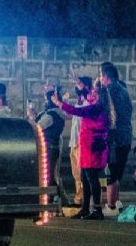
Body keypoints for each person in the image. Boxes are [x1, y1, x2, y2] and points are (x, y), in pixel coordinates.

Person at [52, 79, 113, 220]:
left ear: (99, 93)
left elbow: (76, 111)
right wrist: (82, 88)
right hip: (87, 145)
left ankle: (97, 209)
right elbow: (87, 97)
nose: (91, 92)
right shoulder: (97, 103)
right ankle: (85, 208)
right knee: (85, 179)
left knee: (92, 179)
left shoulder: (97, 107)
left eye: (94, 90)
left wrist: (59, 103)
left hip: (93, 146)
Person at [100, 62, 132, 215]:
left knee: (111, 171)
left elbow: (103, 112)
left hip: (113, 137)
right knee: (118, 170)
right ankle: (117, 202)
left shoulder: (108, 91)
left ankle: (111, 206)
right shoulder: (124, 90)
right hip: (126, 136)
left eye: (101, 76)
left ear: (105, 77)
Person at [34, 89, 68, 209]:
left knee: (49, 174)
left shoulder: (51, 115)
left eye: (47, 100)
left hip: (49, 147)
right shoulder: (54, 114)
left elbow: (37, 127)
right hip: (51, 147)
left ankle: (56, 197)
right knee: (51, 174)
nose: (45, 102)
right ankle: (60, 198)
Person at [66, 76, 92, 208]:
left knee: (83, 173)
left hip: (83, 143)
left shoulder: (89, 103)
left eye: (81, 85)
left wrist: (80, 84)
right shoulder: (78, 103)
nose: (78, 87)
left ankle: (83, 199)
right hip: (74, 142)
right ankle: (78, 197)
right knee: (76, 173)